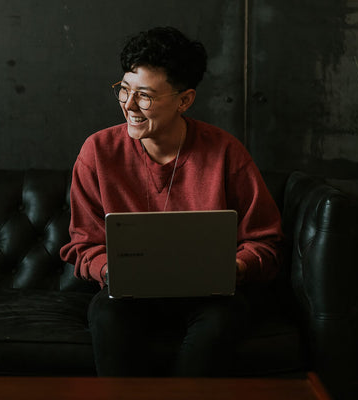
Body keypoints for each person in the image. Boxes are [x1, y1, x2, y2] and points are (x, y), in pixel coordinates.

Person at [60, 26, 283, 377]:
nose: (130, 105)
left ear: (185, 100)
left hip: (210, 297)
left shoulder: (225, 152)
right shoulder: (98, 152)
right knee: (106, 315)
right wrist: (109, 270)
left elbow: (264, 241)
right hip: (128, 297)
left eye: (144, 95)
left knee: (223, 320)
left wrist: (235, 268)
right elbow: (83, 244)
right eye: (124, 90)